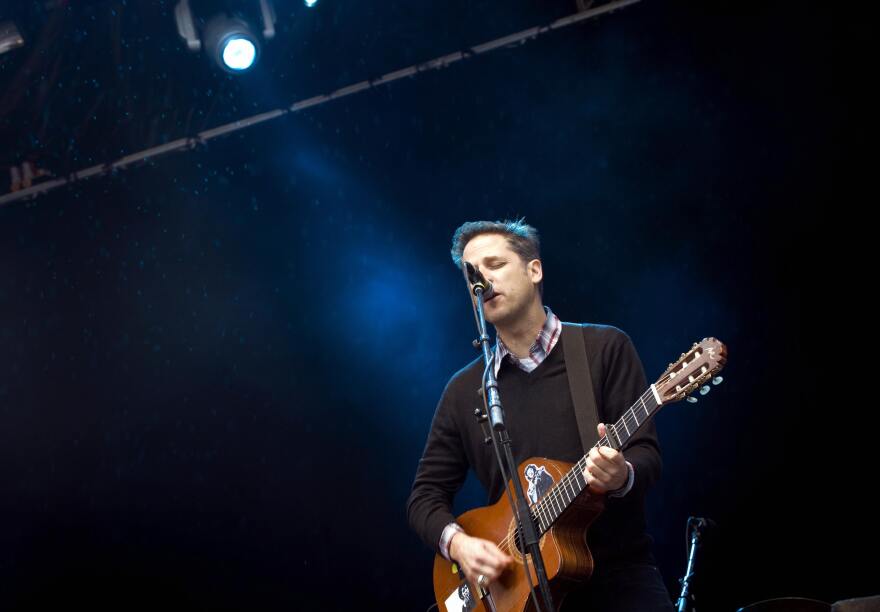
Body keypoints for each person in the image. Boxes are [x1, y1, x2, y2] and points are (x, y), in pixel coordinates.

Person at [406, 219, 673, 611]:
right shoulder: (464, 391)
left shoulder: (604, 348)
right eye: (471, 274)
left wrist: (621, 474)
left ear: (535, 270)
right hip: (519, 593)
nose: (482, 279)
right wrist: (459, 544)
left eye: (495, 264)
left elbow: (646, 453)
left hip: (617, 575)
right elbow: (424, 497)